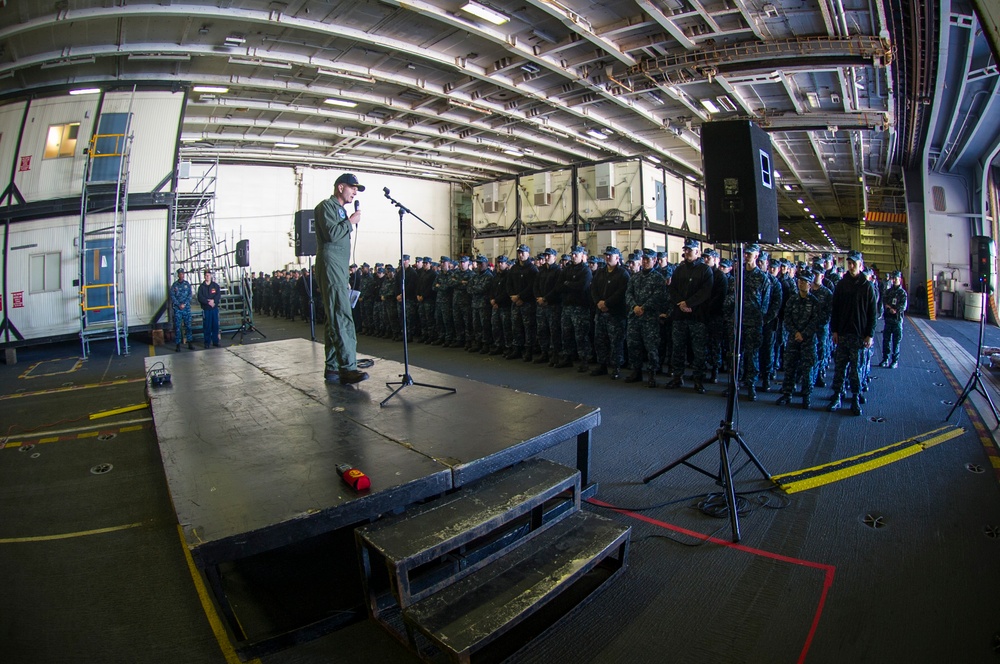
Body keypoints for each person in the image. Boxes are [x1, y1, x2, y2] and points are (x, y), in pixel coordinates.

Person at [314, 173, 368, 385]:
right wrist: (350, 221)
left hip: (337, 268)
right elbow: (332, 234)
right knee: (341, 314)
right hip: (330, 264)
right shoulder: (326, 207)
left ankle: (333, 367)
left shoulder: (340, 210)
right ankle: (348, 367)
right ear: (340, 187)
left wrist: (343, 275)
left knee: (333, 317)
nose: (355, 192)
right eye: (352, 188)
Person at [828, 250, 878, 415]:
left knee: (856, 370)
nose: (850, 266)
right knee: (840, 367)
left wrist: (869, 334)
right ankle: (837, 396)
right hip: (843, 334)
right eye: (849, 263)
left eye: (853, 263)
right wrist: (834, 330)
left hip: (858, 336)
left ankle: (855, 397)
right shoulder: (842, 285)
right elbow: (835, 309)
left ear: (860, 265)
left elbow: (873, 314)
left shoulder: (867, 287)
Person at [666, 239, 714, 393]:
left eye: (690, 250)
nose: (687, 252)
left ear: (697, 252)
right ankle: (677, 377)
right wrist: (681, 303)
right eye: (685, 250)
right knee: (678, 348)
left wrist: (689, 303)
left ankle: (698, 380)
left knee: (698, 351)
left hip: (697, 317)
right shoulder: (679, 270)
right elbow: (672, 289)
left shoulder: (705, 270)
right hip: (679, 316)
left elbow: (705, 292)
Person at [776, 269, 821, 409]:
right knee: (790, 367)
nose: (802, 284)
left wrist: (804, 334)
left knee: (807, 369)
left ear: (810, 285)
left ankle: (806, 396)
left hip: (808, 341)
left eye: (805, 282)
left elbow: (816, 322)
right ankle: (787, 393)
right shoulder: (792, 300)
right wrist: (795, 332)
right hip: (793, 339)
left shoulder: (814, 302)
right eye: (800, 281)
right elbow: (787, 318)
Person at [880, 270, 908, 368]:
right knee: (886, 341)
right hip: (888, 320)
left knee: (896, 342)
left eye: (896, 278)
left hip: (897, 321)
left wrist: (895, 310)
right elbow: (884, 301)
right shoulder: (888, 291)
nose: (895, 280)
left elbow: (903, 306)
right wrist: (889, 308)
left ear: (900, 280)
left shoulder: (902, 293)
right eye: (893, 278)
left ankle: (894, 361)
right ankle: (885, 359)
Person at [169, 268, 196, 352]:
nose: (181, 275)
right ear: (178, 275)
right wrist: (178, 304)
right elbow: (172, 296)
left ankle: (190, 343)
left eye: (182, 273)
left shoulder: (187, 284)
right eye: (180, 274)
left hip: (186, 308)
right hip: (178, 309)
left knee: (188, 326)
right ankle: (178, 345)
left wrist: (184, 304)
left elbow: (190, 295)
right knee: (177, 327)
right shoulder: (174, 285)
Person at [196, 269, 222, 349]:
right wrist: (208, 302)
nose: (207, 276)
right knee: (207, 326)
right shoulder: (201, 287)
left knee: (215, 325)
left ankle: (215, 342)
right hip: (206, 309)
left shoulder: (215, 286)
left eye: (208, 275)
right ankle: (207, 342)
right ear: (204, 276)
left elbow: (218, 295)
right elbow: (200, 297)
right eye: (206, 275)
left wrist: (214, 301)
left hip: (214, 309)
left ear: (211, 276)